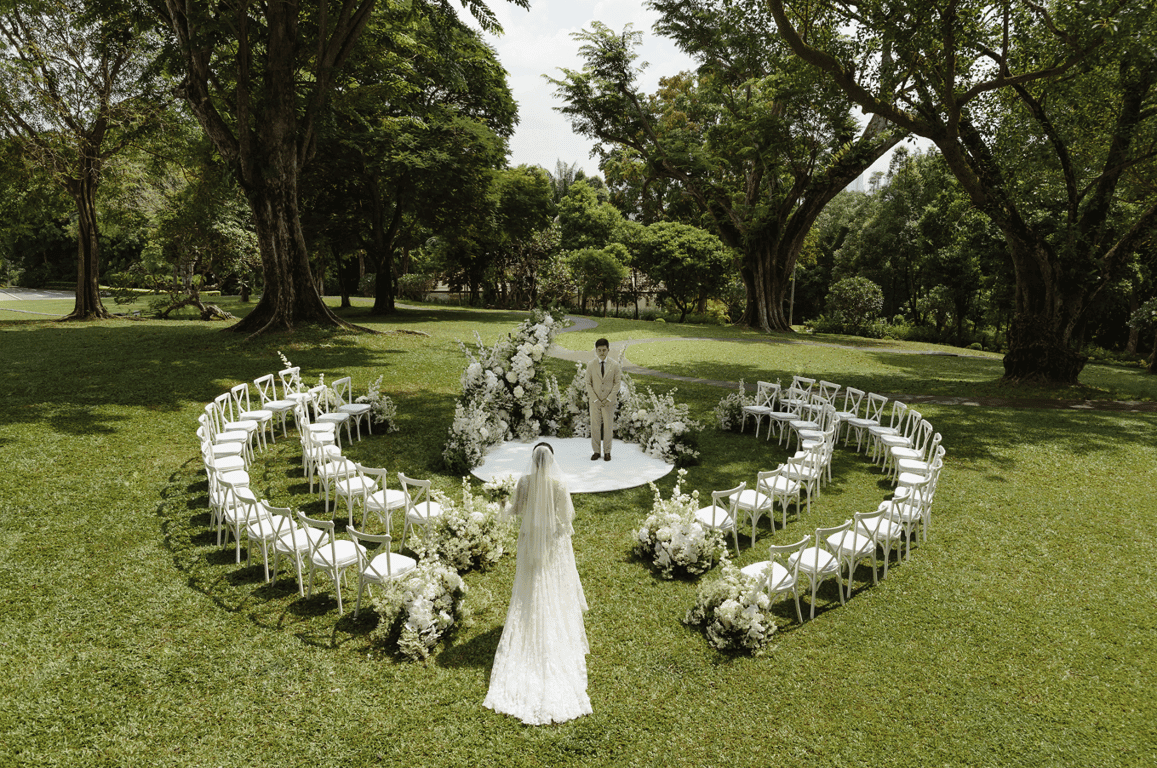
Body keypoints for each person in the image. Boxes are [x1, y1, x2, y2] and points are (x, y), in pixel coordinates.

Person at [484, 442, 591, 726]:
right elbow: (566, 518)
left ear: (533, 461)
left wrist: (501, 503)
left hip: (529, 541)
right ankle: (554, 617)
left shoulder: (524, 482)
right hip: (552, 543)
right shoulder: (559, 484)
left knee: (530, 583)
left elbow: (516, 511)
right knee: (553, 583)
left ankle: (531, 614)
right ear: (552, 461)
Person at [584, 338, 621, 461]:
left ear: (608, 350)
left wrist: (609, 398)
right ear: (596, 350)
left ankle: (607, 451)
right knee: (595, 426)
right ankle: (596, 451)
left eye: (604, 350)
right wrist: (595, 399)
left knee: (608, 427)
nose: (602, 352)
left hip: (608, 402)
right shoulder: (591, 365)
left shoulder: (614, 365)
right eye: (599, 350)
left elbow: (617, 383)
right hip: (595, 402)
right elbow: (588, 383)